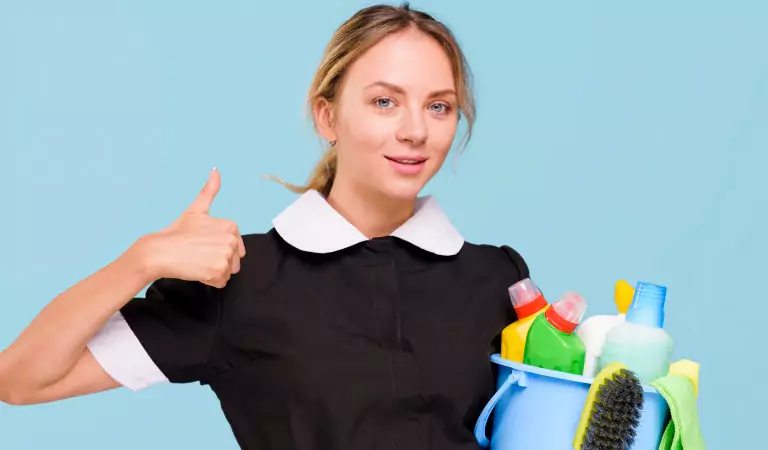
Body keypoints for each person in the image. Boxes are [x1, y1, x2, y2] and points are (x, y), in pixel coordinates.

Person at [0, 3, 530, 449]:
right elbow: (20, 378)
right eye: (384, 102)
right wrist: (144, 260)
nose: (415, 130)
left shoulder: (495, 277)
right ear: (327, 118)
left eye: (439, 107)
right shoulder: (238, 283)